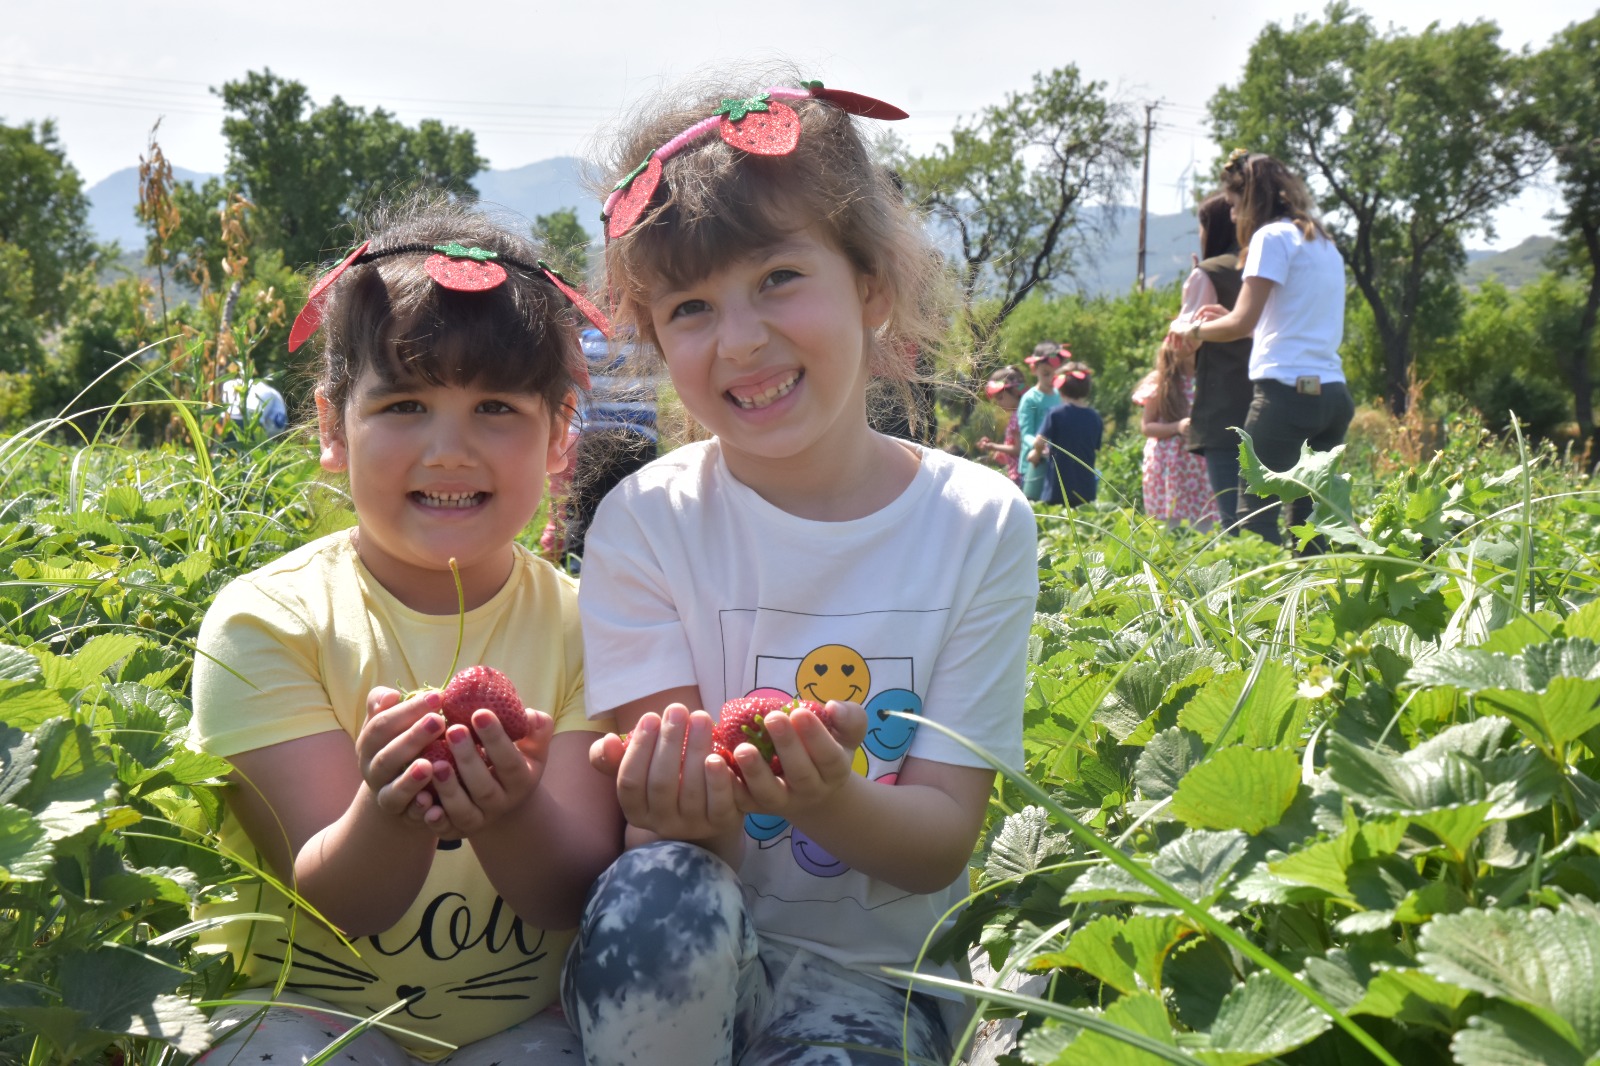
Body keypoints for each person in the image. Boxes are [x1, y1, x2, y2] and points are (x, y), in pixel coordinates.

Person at [565, 76, 1038, 1066]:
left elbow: (941, 838)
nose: (741, 340)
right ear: (654, 337)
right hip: (696, 944)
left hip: (878, 980)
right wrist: (688, 813)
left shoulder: (975, 522)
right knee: (660, 888)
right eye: (690, 307)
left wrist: (822, 796)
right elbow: (683, 855)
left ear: (870, 286)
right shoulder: (644, 526)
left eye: (779, 277)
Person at [189, 198, 622, 1065]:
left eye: (497, 407)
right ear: (331, 429)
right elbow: (334, 901)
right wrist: (388, 815)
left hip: (521, 1027)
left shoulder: (588, 623)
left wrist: (510, 812)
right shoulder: (268, 622)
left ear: (558, 437)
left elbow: (569, 892)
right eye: (405, 406)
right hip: (307, 1015)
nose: (450, 450)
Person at [1182, 150, 1351, 548]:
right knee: (1312, 528)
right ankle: (1311, 603)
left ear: (1250, 201)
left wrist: (1195, 330)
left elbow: (1241, 322)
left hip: (1285, 397)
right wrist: (1229, 318)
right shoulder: (1321, 239)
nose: (1235, 218)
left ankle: (1260, 606)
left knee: (1253, 523)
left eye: (1236, 206)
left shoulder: (1269, 237)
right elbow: (1281, 322)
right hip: (1333, 395)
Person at [1168, 193, 1253, 530]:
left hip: (1223, 408)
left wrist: (1192, 288)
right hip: (1272, 400)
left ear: (1212, 228)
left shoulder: (1208, 273)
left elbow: (1181, 348)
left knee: (1235, 523)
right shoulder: (1265, 266)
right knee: (1273, 517)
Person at [1133, 338, 1217, 529]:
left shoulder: (1207, 379)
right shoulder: (1161, 381)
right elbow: (1147, 427)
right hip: (1168, 466)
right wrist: (1177, 427)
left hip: (1198, 467)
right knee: (1168, 524)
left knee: (1202, 523)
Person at [1027, 362, 1102, 508]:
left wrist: (1036, 454)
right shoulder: (1095, 417)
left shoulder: (1055, 413)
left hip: (1058, 487)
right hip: (1085, 488)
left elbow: (1039, 442)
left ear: (1060, 389)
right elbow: (1093, 446)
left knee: (1058, 523)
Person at [1017, 341, 1065, 501]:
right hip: (1034, 464)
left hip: (1056, 464)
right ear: (1034, 369)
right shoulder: (1030, 399)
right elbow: (1027, 435)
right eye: (1046, 373)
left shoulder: (1061, 396)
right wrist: (1040, 445)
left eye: (1055, 373)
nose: (1051, 378)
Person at [977, 366, 1026, 487]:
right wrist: (1003, 454)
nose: (999, 403)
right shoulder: (1020, 413)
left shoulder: (1019, 416)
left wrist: (993, 446)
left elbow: (1018, 449)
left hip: (1020, 475)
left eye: (1000, 398)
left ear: (1015, 391)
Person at [219, 367, 290, 436]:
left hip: (223, 417)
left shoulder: (237, 382)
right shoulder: (270, 393)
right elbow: (276, 425)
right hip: (249, 422)